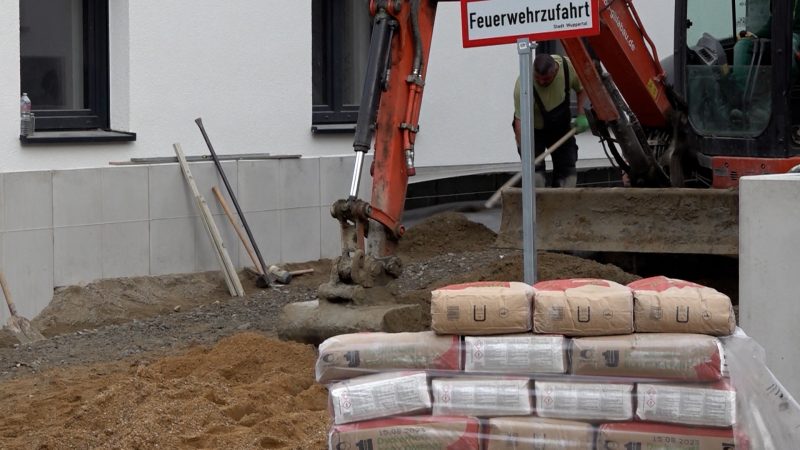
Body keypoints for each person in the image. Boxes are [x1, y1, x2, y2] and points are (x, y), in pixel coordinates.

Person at [513, 53, 589, 188]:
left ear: (555, 71)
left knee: (567, 176)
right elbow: (520, 122)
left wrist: (581, 114)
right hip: (534, 131)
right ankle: (537, 207)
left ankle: (562, 206)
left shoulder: (567, 67)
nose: (541, 82)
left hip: (561, 128)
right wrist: (524, 150)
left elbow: (582, 89)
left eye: (546, 79)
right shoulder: (523, 85)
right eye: (538, 78)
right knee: (535, 178)